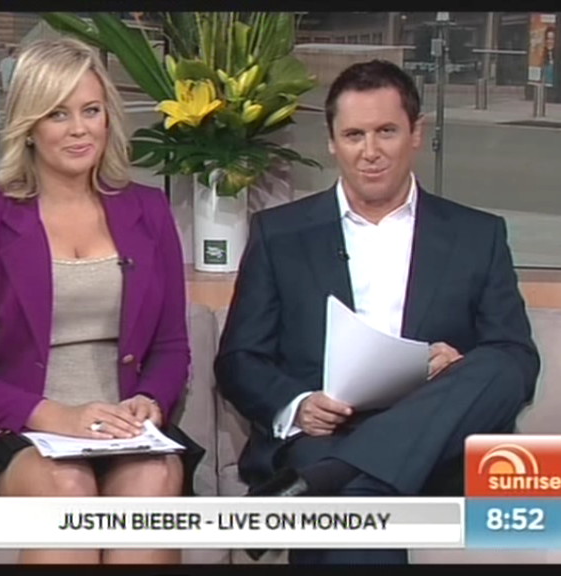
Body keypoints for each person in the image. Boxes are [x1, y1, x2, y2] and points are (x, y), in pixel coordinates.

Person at [215, 59, 540, 565]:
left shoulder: (477, 234)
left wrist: (457, 368)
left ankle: (331, 479)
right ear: (332, 142)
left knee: (497, 365)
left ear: (416, 134)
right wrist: (297, 404)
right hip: (327, 433)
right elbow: (239, 359)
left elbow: (516, 359)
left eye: (386, 131)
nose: (370, 152)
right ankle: (348, 474)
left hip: (440, 437)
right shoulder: (280, 234)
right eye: (354, 135)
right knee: (364, 505)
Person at [0, 37, 204, 565]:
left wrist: (150, 401)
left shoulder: (148, 211)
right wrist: (57, 416)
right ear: (29, 126)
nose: (80, 129)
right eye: (58, 114)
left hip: (124, 431)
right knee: (67, 491)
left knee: (152, 482)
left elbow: (171, 346)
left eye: (91, 110)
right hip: (19, 433)